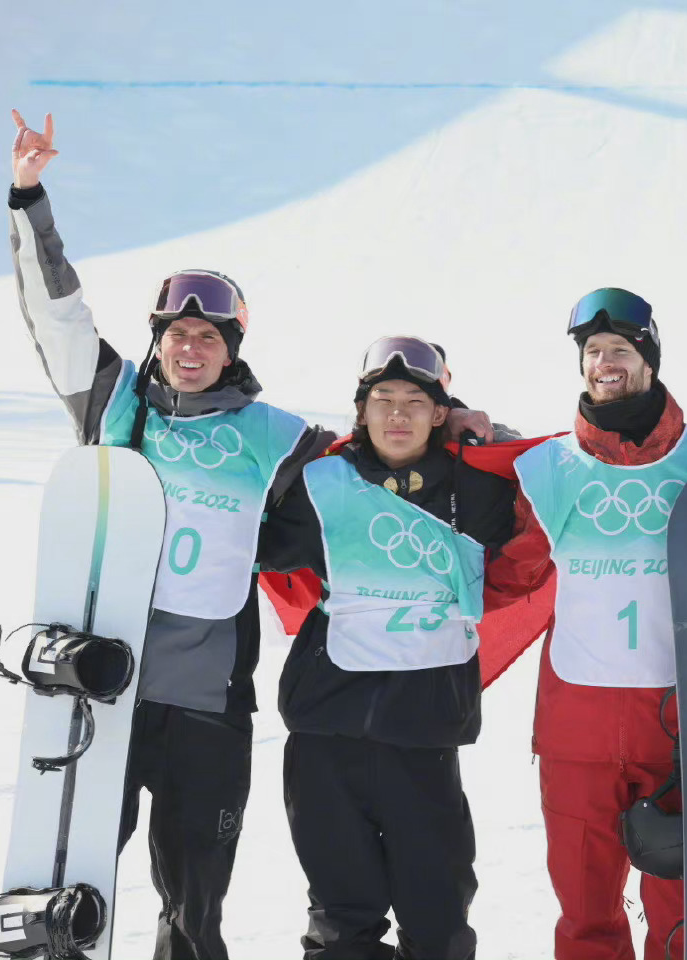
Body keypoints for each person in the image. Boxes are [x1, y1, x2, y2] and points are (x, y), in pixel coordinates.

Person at [5, 111, 491, 960]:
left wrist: (467, 431)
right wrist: (28, 198)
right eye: (176, 333)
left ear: (232, 349)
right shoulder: (113, 401)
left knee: (193, 912)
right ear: (156, 341)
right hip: (100, 687)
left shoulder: (279, 439)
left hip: (207, 705)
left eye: (209, 335)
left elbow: (382, 460)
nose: (190, 347)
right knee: (71, 885)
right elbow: (57, 315)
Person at [484, 288, 687, 960]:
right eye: (592, 352)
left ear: (649, 359)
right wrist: (474, 500)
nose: (604, 362)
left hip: (677, 723)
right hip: (576, 728)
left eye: (619, 349)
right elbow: (512, 579)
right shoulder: (548, 468)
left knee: (684, 911)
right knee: (584, 912)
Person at [258, 336, 518, 960]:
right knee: (342, 922)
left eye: (414, 401)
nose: (397, 415)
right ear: (361, 411)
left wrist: (487, 431)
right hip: (325, 735)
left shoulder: (480, 488)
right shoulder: (319, 486)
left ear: (439, 413)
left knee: (437, 922)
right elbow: (240, 533)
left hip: (423, 738)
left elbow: (574, 477)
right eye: (382, 400)